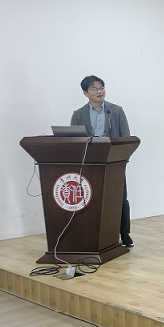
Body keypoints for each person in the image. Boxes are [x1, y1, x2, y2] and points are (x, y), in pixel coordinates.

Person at [70, 75, 134, 246]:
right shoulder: (78, 114)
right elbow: (73, 141)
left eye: (102, 88)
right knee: (91, 200)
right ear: (85, 93)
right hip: (89, 163)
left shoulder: (116, 111)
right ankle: (91, 234)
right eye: (94, 89)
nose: (99, 92)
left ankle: (125, 234)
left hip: (114, 163)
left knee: (120, 199)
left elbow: (126, 137)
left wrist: (122, 157)